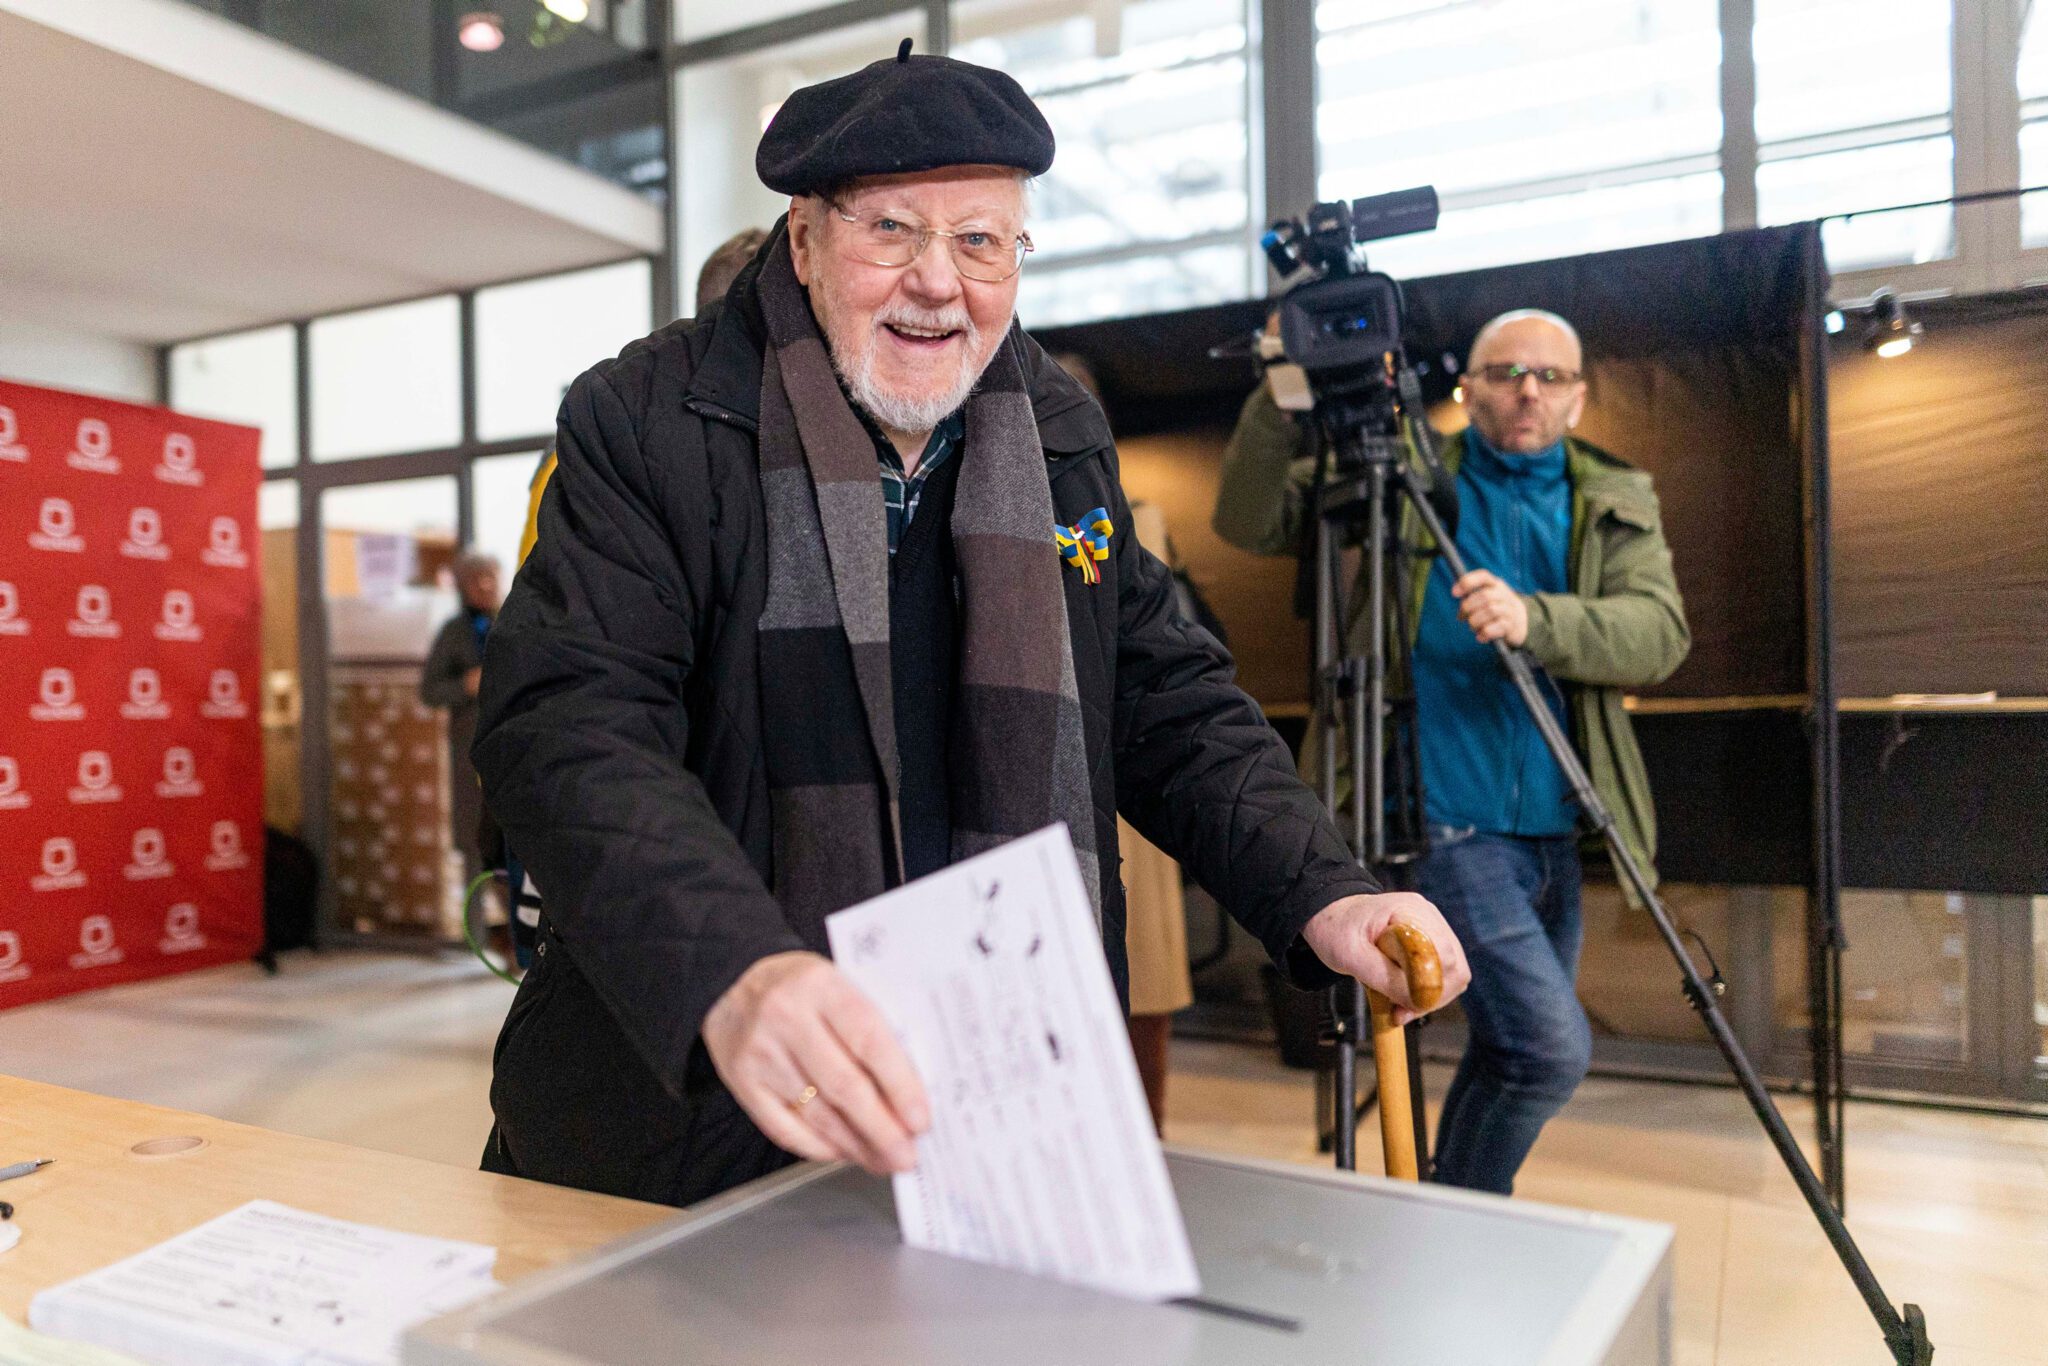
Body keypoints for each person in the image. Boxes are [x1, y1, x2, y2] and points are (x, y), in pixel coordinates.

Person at [474, 39, 1468, 1209]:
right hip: (677, 1112)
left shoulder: (1052, 431)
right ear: (803, 236)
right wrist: (729, 973)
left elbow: (1165, 698)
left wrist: (1327, 890)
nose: (938, 281)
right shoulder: (648, 416)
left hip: (988, 1089)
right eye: (890, 229)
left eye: (982, 239)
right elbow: (570, 725)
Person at [1213, 309, 1690, 1195]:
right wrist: (1282, 387)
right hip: (1443, 825)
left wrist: (1536, 619)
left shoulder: (1616, 498)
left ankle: (1448, 1220)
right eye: (1506, 372)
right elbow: (1250, 518)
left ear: (1579, 399)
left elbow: (1660, 634)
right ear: (1466, 388)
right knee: (1551, 1051)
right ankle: (1470, 1216)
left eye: (1550, 377)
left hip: (1556, 827)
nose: (1528, 391)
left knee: (1512, 1050)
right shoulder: (1404, 477)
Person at [420, 549, 503, 892]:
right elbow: (429, 691)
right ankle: (482, 927)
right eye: (476, 578)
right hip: (470, 751)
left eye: (491, 576)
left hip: (513, 746)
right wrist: (466, 685)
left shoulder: (518, 621)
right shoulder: (453, 632)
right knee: (473, 838)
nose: (484, 585)